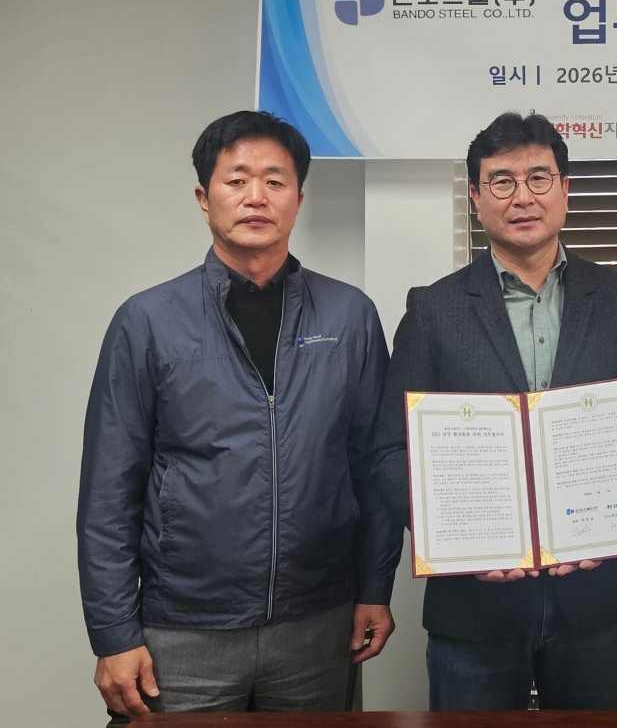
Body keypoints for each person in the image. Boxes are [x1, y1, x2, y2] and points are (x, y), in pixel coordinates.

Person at [77, 111, 400, 720]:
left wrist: (374, 588)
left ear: (299, 198)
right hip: (182, 629)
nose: (256, 196)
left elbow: (373, 467)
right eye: (237, 180)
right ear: (205, 198)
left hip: (317, 622)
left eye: (275, 181)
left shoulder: (349, 316)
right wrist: (113, 633)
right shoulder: (147, 321)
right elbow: (108, 491)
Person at [367, 111, 617, 711]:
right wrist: (455, 535)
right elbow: (390, 451)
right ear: (477, 198)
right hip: (472, 606)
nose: (523, 197)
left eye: (539, 177)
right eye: (502, 181)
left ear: (565, 189)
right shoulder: (433, 309)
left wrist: (613, 522)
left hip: (594, 597)